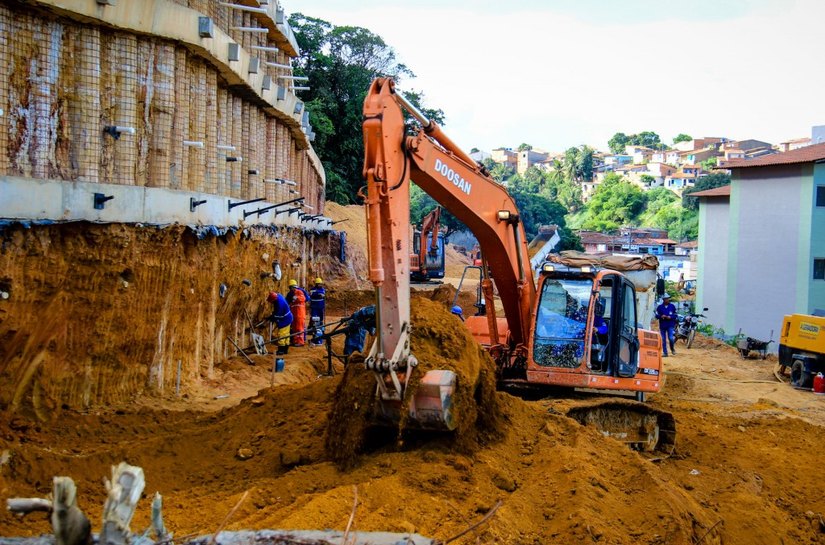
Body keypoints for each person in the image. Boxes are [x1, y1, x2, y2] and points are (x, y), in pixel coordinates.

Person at [286, 279, 308, 346]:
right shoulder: (290, 294)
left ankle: (300, 342)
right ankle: (295, 341)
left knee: (299, 328)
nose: (291, 289)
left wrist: (296, 298)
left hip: (300, 313)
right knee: (295, 327)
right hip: (294, 313)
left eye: (291, 287)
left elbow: (304, 298)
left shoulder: (299, 291)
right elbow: (287, 301)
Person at [308, 278, 326, 345]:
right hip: (314, 308)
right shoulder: (313, 289)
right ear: (316, 284)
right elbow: (311, 295)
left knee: (321, 320)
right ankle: (315, 333)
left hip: (320, 307)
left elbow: (323, 295)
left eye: (320, 284)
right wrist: (317, 294)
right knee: (315, 320)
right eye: (318, 284)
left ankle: (321, 332)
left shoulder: (322, 289)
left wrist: (320, 295)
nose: (320, 285)